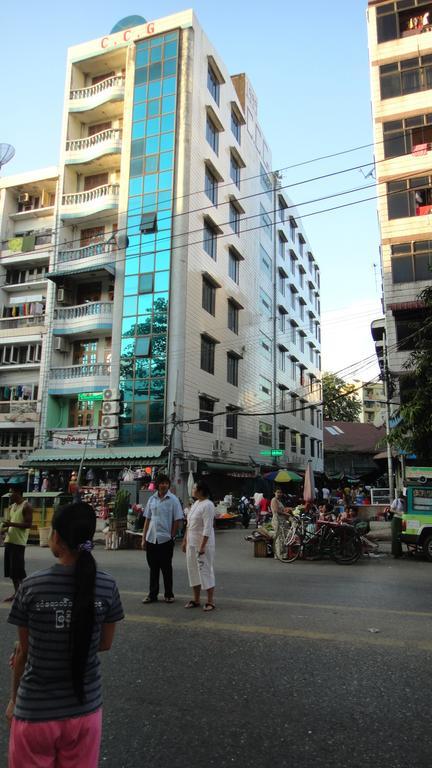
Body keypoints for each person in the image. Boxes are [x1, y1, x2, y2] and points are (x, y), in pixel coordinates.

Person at [5, 501, 124, 768]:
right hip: (85, 714)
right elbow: (104, 644)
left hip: (36, 714)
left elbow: (24, 653)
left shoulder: (31, 586)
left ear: (56, 536)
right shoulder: (107, 585)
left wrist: (13, 700)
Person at [141, 473, 183, 604]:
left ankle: (169, 594)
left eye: (166, 483)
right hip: (151, 539)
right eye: (161, 483)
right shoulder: (151, 499)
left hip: (165, 540)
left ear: (168, 485)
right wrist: (143, 538)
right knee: (153, 568)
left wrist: (172, 535)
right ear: (157, 484)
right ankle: (152, 594)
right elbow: (147, 519)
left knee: (166, 568)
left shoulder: (174, 500)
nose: (164, 485)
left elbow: (177, 520)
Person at [182, 479, 216, 611]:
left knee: (205, 570)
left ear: (201, 491)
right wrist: (185, 541)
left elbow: (207, 527)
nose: (192, 490)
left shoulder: (208, 505)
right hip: (191, 542)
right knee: (193, 570)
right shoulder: (196, 503)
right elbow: (189, 524)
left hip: (203, 544)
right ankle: (196, 599)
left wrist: (202, 546)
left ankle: (210, 600)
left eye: (194, 488)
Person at [1, 486, 33, 603]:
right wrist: (4, 529)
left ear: (18, 493)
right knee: (12, 572)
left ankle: (26, 594)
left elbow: (28, 525)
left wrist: (11, 524)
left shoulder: (26, 506)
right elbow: (10, 524)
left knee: (19, 572)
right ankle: (16, 594)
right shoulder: (12, 507)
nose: (10, 495)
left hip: (19, 543)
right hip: (9, 541)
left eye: (11, 493)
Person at [390, 491, 405, 558]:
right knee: (395, 537)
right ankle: (395, 553)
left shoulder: (405, 502)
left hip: (402, 520)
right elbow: (391, 510)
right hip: (396, 519)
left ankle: (399, 553)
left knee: (399, 537)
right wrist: (398, 512)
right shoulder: (396, 501)